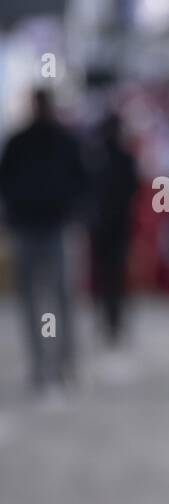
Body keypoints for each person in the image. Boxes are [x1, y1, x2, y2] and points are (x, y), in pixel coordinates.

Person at [0, 88, 87, 393]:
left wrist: (74, 212)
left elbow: (82, 181)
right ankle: (40, 365)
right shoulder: (19, 142)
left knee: (61, 298)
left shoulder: (64, 141)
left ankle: (63, 363)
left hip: (57, 228)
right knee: (32, 301)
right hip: (27, 229)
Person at [85, 109, 141, 345]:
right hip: (114, 226)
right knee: (113, 275)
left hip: (107, 227)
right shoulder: (115, 158)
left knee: (107, 275)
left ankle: (111, 320)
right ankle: (112, 320)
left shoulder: (99, 159)